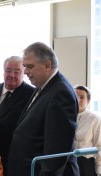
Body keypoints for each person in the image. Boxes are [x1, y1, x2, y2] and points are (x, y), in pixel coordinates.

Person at [7, 42, 79, 176]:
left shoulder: (61, 93)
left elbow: (56, 153)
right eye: (24, 66)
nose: (26, 71)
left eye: (30, 66)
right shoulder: (44, 86)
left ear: (47, 65)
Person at [0, 56, 35, 175]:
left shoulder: (32, 94)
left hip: (16, 155)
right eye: (8, 70)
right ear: (3, 71)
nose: (12, 75)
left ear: (23, 73)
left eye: (17, 71)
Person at [74, 85, 101, 176]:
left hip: (85, 163)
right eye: (75, 96)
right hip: (68, 162)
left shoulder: (94, 118)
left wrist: (100, 172)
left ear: (88, 101)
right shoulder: (66, 116)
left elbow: (99, 147)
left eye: (82, 97)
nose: (78, 100)